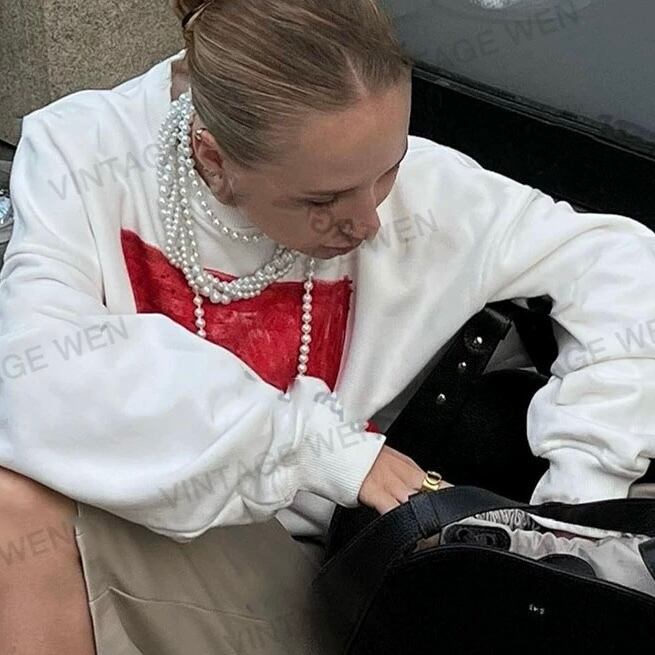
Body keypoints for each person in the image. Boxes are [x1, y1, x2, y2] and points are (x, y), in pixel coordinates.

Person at [0, 0, 654, 652]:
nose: (368, 220)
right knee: (15, 504)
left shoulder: (427, 195)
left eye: (389, 169)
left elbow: (624, 267)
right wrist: (315, 447)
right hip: (156, 535)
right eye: (322, 199)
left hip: (329, 582)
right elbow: (29, 372)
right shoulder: (87, 152)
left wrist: (577, 506)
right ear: (212, 159)